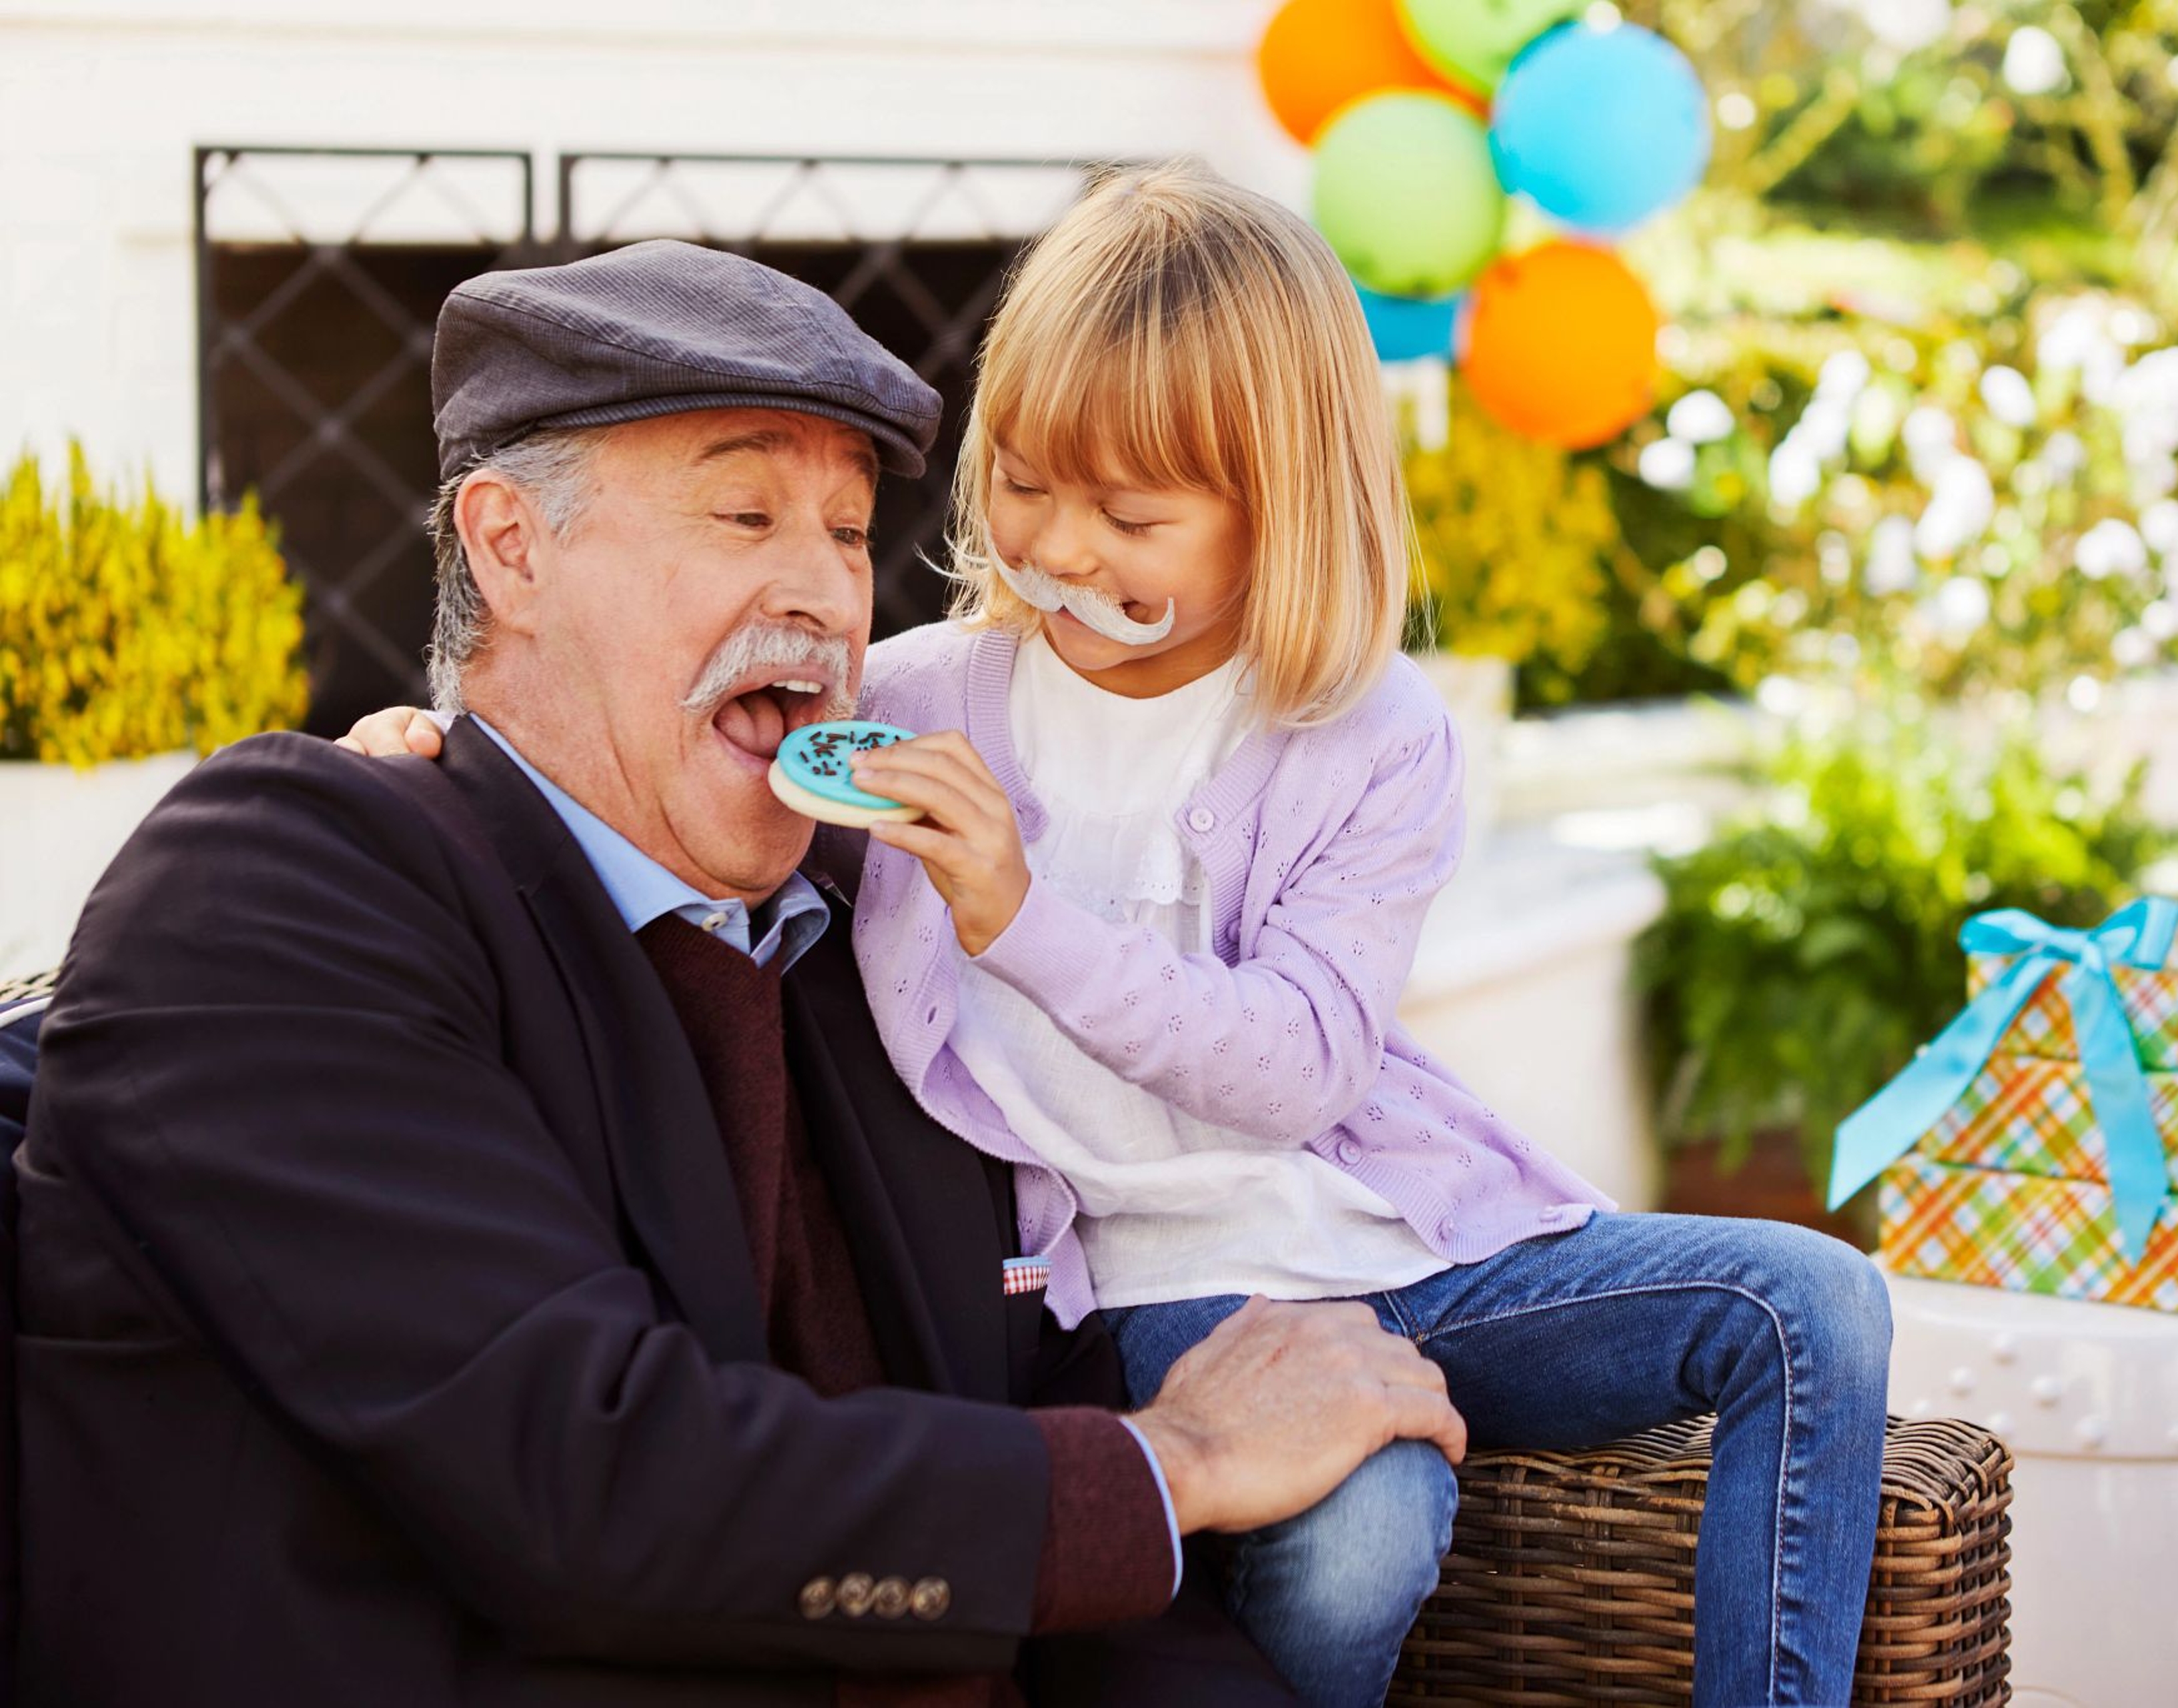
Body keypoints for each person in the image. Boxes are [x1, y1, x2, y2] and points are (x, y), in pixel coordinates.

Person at [348, 167, 1898, 1708]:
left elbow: (1297, 1070)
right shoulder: (913, 700)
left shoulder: (1371, 742)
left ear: (1277, 516)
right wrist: (450, 753)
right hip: (1130, 1293)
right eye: (1025, 484)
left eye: (1135, 513)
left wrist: (1022, 916)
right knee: (1372, 1530)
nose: (1066, 551)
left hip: (1386, 1252)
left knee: (1814, 1300)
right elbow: (682, 775)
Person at [10, 237, 1470, 1707]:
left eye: (848, 534)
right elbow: (588, 1485)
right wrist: (1184, 1461)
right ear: (512, 547)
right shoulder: (293, 883)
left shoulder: (878, 943)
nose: (830, 598)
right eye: (744, 511)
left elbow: (1070, 1494)